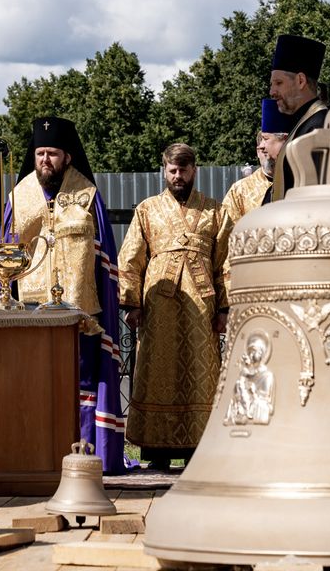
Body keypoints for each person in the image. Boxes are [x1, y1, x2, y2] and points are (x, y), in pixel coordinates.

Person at [0, 116, 125, 474]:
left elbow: (104, 258)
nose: (45, 160)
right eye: (40, 153)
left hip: (79, 314)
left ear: (67, 157)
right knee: (33, 382)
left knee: (81, 383)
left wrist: (106, 310)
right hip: (29, 311)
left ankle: (85, 456)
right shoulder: (19, 197)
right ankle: (33, 454)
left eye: (52, 153)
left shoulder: (87, 195)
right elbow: (4, 255)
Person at [119, 143, 231, 470]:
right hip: (159, 307)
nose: (178, 175)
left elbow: (225, 263)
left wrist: (225, 309)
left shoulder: (214, 211)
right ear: (164, 170)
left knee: (200, 374)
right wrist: (131, 301)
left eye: (184, 169)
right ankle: (157, 453)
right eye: (172, 169)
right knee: (158, 374)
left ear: (194, 170)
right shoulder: (147, 209)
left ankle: (201, 453)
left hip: (202, 309)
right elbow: (130, 259)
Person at [269, 34, 329, 201]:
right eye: (271, 84)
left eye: (278, 83)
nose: (272, 92)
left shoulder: (320, 126)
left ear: (301, 81)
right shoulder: (304, 124)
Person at [221, 99, 293, 226]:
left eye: (266, 140)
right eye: (261, 148)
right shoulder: (240, 191)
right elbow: (228, 233)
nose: (264, 148)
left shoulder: (300, 182)